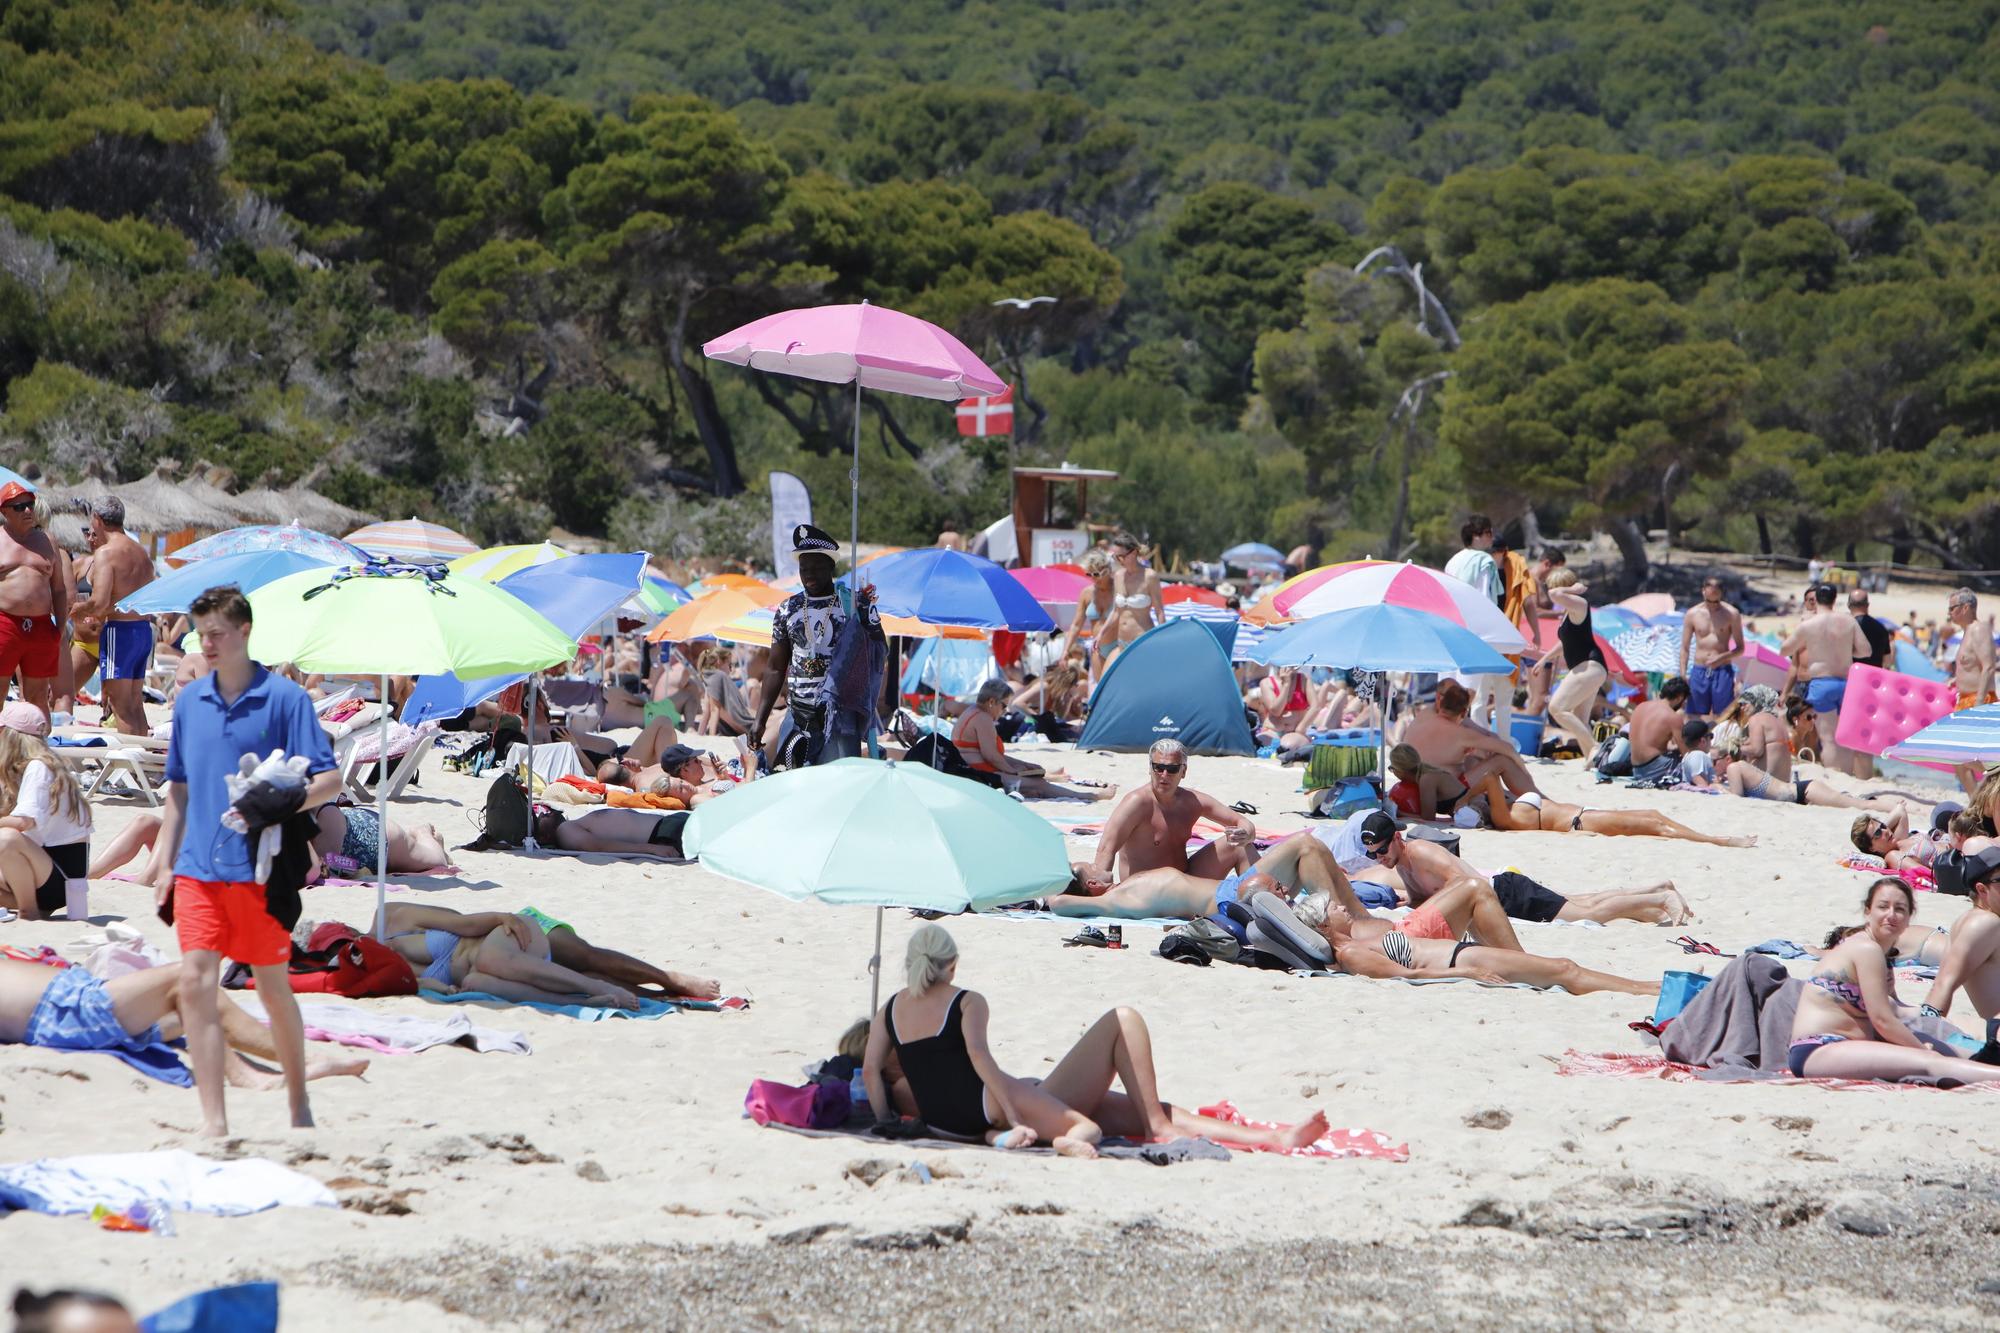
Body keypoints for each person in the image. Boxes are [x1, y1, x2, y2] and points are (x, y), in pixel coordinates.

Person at [145, 584, 341, 1137]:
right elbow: (178, 789)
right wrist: (164, 861)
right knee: (196, 986)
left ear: (245, 632)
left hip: (258, 873)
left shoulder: (286, 700)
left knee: (272, 988)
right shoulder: (190, 701)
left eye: (217, 635)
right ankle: (214, 1121)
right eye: (200, 634)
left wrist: (286, 800)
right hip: (196, 872)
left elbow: (330, 780)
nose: (206, 645)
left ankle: (298, 1099)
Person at [862, 924, 1330, 1156]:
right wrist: (1020, 1110)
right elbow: (982, 1069)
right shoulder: (912, 1080)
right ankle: (1163, 1130)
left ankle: (1273, 1139)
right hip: (1032, 1101)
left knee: (1158, 1109)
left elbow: (875, 1074)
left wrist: (883, 1118)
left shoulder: (902, 1046)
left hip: (1031, 1096)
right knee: (1123, 1021)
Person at [0, 956, 368, 1089]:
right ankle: (246, 1077)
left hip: (74, 997)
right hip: (67, 1010)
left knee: (202, 1001)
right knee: (188, 977)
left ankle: (301, 1059)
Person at [1788, 877, 2000, 1084]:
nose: (1891, 915)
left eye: (1900, 909)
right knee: (1930, 1061)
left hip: (1848, 1045)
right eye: (1883, 907)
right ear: (1868, 911)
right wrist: (1920, 1049)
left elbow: (1892, 1011)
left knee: (1949, 1051)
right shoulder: (1866, 949)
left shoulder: (1878, 953)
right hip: (1819, 1048)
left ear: (1909, 918)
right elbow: (1882, 1020)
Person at [1335, 809, 1694, 925]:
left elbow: (1462, 885)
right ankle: (1654, 890)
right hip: (1502, 888)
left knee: (1585, 913)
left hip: (1504, 892)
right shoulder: (1402, 864)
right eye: (1371, 855)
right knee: (1582, 899)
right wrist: (1404, 906)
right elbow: (1421, 897)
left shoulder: (1422, 853)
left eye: (1381, 850)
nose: (1378, 859)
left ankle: (1662, 902)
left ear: (1396, 838)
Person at [1297, 894, 1658, 995]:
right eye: (1334, 907)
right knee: (1564, 970)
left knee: (1561, 967)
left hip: (1462, 953)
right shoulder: (1351, 953)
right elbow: (1408, 976)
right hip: (1459, 959)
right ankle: (1646, 990)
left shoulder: (1352, 943)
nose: (1342, 906)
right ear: (1325, 924)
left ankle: (1646, 987)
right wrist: (1466, 973)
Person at [1049, 830, 1363, 936]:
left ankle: (1359, 917)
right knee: (1305, 845)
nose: (1094, 863)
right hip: (1232, 898)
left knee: (1314, 850)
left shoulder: (1123, 887)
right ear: (1091, 883)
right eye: (1087, 866)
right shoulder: (1113, 901)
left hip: (1233, 891)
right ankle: (1347, 923)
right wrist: (1048, 886)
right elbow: (1059, 903)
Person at [752, 523, 884, 769]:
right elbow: (774, 668)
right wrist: (760, 719)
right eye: (804, 568)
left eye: (816, 568)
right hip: (798, 714)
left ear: (831, 566)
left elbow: (879, 652)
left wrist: (864, 619)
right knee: (791, 786)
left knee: (838, 788)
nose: (809, 575)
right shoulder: (787, 609)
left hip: (839, 716)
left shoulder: (853, 605)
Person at [1090, 739, 1254, 881]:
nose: (1164, 774)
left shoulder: (1192, 801)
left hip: (1184, 879)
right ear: (1149, 769)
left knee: (1239, 845)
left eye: (1172, 769)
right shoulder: (1137, 803)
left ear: (1183, 771)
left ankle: (1260, 900)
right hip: (1144, 890)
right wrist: (1099, 886)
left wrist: (1245, 833)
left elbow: (1243, 822)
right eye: (1158, 767)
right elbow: (1106, 849)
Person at [1474, 770, 1753, 847]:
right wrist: (1464, 799)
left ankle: (1713, 838)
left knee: (1654, 816)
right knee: (1656, 825)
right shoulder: (1504, 818)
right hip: (1581, 823)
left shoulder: (1509, 809)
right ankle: (1717, 840)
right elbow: (1490, 776)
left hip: (1585, 815)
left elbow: (1496, 773)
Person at [66, 497, 156, 736]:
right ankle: (140, 766)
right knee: (135, 703)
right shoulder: (141, 553)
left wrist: (75, 610)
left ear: (97, 519)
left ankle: (129, 766)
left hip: (120, 631)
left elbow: (100, 603)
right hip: (144, 632)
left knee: (120, 705)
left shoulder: (107, 553)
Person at [951, 678, 1111, 801]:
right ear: (992, 702)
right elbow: (991, 756)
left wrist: (1021, 765)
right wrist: (1014, 770)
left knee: (1029, 771)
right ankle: (1090, 796)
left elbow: (988, 753)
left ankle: (1034, 781)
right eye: (1004, 706)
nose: (1005, 711)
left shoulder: (973, 712)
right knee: (1041, 784)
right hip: (979, 775)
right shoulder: (982, 718)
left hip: (973, 769)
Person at [0, 709, 92, 921]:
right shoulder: (31, 766)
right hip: (46, 872)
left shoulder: (39, 767)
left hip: (61, 880)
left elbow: (23, 822)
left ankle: (28, 911)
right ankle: (28, 905)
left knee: (6, 838)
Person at [1780, 583, 1869, 775]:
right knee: (1844, 738)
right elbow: (1865, 651)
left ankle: (1833, 776)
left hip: (1822, 682)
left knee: (1828, 739)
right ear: (1835, 599)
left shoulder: (1809, 624)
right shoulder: (1848, 621)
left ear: (1816, 600)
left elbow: (1784, 649)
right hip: (1847, 683)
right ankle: (1846, 777)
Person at [1921, 848, 2000, 1059]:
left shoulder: (1969, 920)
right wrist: (1925, 1036)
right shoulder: (1985, 923)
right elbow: (1944, 982)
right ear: (1982, 889)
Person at [1403, 679, 1540, 799]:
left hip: (1420, 784)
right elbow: (1507, 748)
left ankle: (1507, 795)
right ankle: (1536, 796)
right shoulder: (1461, 733)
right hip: (1446, 793)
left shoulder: (1426, 715)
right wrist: (1527, 775)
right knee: (1502, 761)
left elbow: (1484, 735)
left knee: (1474, 756)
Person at [0, 480, 68, 721]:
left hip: (40, 626)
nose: (28, 511)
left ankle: (38, 751)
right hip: (5, 623)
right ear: (4, 511)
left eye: (29, 504)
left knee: (38, 697)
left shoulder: (47, 541)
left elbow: (59, 589)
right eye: (19, 507)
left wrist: (60, 627)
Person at [1443, 513, 1510, 739]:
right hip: (1474, 632)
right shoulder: (1485, 561)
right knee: (1469, 689)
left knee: (1451, 686)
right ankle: (1458, 729)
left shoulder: (1452, 561)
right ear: (1476, 536)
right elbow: (1484, 598)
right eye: (1488, 532)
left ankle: (1447, 730)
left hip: (1451, 628)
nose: (1492, 537)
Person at [1532, 570, 1606, 751]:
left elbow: (1554, 594)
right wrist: (1545, 658)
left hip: (1589, 665)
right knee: (1580, 719)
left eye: (1552, 586)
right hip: (1589, 668)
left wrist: (1573, 589)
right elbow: (1565, 642)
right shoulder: (1569, 612)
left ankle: (1594, 747)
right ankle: (1591, 758)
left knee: (1556, 708)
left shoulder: (1580, 603)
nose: (1550, 592)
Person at [1677, 576, 1743, 722]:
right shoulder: (1692, 614)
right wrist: (1682, 674)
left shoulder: (1731, 614)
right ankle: (1695, 743)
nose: (1713, 605)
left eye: (1716, 601)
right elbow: (1685, 647)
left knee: (1724, 714)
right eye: (1709, 601)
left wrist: (1721, 658)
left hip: (1722, 669)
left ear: (1721, 594)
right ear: (1703, 592)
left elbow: (1740, 648)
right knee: (1694, 714)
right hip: (1699, 669)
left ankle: (1720, 743)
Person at [531, 806, 690, 858]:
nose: (544, 813)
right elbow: (597, 846)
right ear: (544, 837)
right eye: (540, 818)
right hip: (663, 833)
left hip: (668, 824)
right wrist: (652, 849)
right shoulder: (564, 831)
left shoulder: (572, 824)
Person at [1100, 532, 1163, 663]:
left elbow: (1159, 611)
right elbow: (1116, 612)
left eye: (1121, 556)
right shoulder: (1118, 576)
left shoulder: (1149, 576)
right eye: (1116, 557)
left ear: (1134, 553)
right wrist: (1100, 634)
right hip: (1121, 641)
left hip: (1142, 639)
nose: (1119, 561)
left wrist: (1163, 638)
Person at [1061, 550, 1117, 671]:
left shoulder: (1119, 589)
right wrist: (1066, 650)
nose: (1093, 578)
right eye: (1089, 574)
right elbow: (1076, 625)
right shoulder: (1087, 593)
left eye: (1096, 574)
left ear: (1107, 571)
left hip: (1117, 645)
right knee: (1100, 687)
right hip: (1097, 648)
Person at [1947, 588, 1996, 711]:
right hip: (1965, 700)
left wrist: (1979, 703)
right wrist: (1958, 679)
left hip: (1979, 700)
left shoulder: (1979, 629)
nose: (1949, 613)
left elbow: (1989, 667)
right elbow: (1972, 665)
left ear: (1965, 608)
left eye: (1951, 608)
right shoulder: (1967, 632)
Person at [1850, 589, 1894, 671]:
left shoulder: (1847, 627)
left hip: (1852, 676)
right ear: (1867, 605)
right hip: (1873, 678)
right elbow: (1887, 662)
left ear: (1849, 605)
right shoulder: (1881, 628)